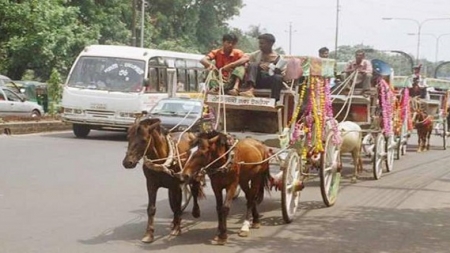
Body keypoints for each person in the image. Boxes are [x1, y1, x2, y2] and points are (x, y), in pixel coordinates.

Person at [234, 33, 284, 102]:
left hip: (269, 81)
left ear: (271, 44)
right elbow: (245, 59)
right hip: (255, 81)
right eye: (259, 43)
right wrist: (259, 65)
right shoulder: (256, 54)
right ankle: (250, 90)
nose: (260, 46)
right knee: (253, 64)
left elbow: (284, 74)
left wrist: (274, 70)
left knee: (278, 77)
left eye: (262, 43)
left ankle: (275, 101)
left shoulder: (278, 58)